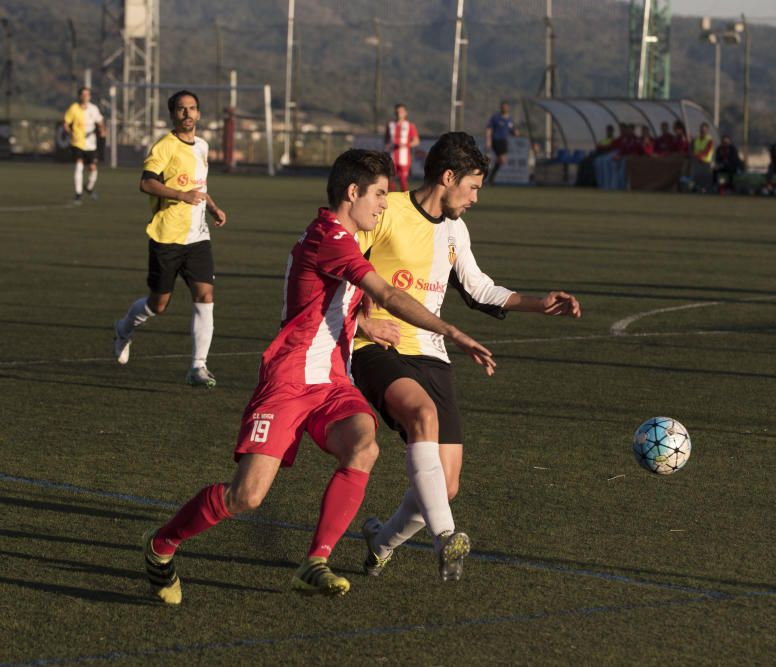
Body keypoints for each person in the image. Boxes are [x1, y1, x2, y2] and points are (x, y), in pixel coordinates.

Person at [141, 149, 497, 605]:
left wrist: (364, 324)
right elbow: (384, 291)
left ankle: (316, 561)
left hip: (330, 381)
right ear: (353, 193)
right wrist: (450, 330)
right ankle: (162, 544)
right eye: (380, 195)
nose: (386, 205)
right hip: (289, 380)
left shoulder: (347, 236)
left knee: (364, 444)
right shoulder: (329, 236)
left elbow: (331, 296)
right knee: (247, 496)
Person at [352, 132, 581, 582]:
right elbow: (341, 272)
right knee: (421, 415)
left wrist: (539, 302)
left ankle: (380, 543)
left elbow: (477, 289)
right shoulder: (386, 210)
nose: (475, 197)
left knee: (446, 484)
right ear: (448, 176)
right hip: (378, 347)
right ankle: (447, 537)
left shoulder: (455, 229)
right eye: (472, 187)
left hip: (433, 354)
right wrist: (361, 324)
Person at [113, 90, 227, 387]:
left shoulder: (202, 145)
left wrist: (212, 207)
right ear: (173, 114)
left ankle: (198, 368)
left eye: (192, 109)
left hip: (198, 237)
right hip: (167, 237)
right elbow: (146, 182)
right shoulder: (164, 146)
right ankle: (124, 328)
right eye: (181, 109)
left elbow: (199, 185)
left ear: (199, 114)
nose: (187, 114)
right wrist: (180, 195)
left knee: (206, 296)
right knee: (158, 304)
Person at [63, 87, 106, 204]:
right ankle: (78, 194)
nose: (86, 96)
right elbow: (66, 123)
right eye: (84, 94)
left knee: (93, 169)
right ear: (80, 96)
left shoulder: (93, 109)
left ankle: (89, 188)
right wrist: (70, 132)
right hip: (77, 143)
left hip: (91, 144)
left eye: (88, 94)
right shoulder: (74, 108)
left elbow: (100, 121)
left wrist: (102, 129)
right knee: (79, 165)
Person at [384, 103, 420, 191]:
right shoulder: (390, 125)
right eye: (397, 111)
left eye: (401, 111)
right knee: (390, 179)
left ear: (405, 113)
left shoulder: (410, 126)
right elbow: (386, 140)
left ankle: (405, 200)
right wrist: (388, 147)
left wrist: (405, 145)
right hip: (392, 156)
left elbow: (416, 141)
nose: (399, 113)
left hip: (404, 157)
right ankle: (392, 199)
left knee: (403, 180)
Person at [484, 101, 517, 185]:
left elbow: (512, 129)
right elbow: (489, 129)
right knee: (502, 159)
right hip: (496, 140)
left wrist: (515, 132)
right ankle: (489, 178)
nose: (505, 108)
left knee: (501, 161)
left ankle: (490, 178)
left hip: (504, 141)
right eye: (503, 107)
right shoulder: (496, 118)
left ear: (508, 108)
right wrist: (488, 142)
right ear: (501, 108)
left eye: (506, 107)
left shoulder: (510, 119)